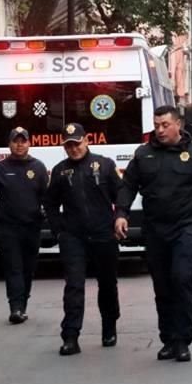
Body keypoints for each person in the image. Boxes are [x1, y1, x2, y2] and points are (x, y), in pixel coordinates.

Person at [115, 106, 192, 363]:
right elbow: (128, 185)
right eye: (156, 125)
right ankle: (168, 339)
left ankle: (183, 341)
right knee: (162, 286)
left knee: (182, 279)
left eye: (165, 124)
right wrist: (121, 213)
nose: (159, 130)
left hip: (186, 228)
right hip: (155, 229)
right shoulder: (144, 154)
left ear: (178, 125)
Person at [43, 123, 122, 356]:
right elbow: (49, 203)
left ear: (86, 141)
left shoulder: (104, 165)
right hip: (73, 236)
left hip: (103, 234)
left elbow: (121, 196)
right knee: (74, 285)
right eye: (68, 145)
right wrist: (59, 230)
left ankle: (109, 326)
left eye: (77, 143)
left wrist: (119, 218)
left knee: (107, 284)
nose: (73, 149)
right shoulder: (59, 171)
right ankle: (70, 335)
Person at [0, 127, 48, 324]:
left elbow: (46, 197)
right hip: (7, 228)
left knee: (28, 268)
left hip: (31, 227)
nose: (19, 144)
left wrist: (48, 218)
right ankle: (16, 307)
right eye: (15, 141)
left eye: (23, 141)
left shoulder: (38, 168)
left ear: (29, 143)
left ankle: (23, 303)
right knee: (14, 268)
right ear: (9, 144)